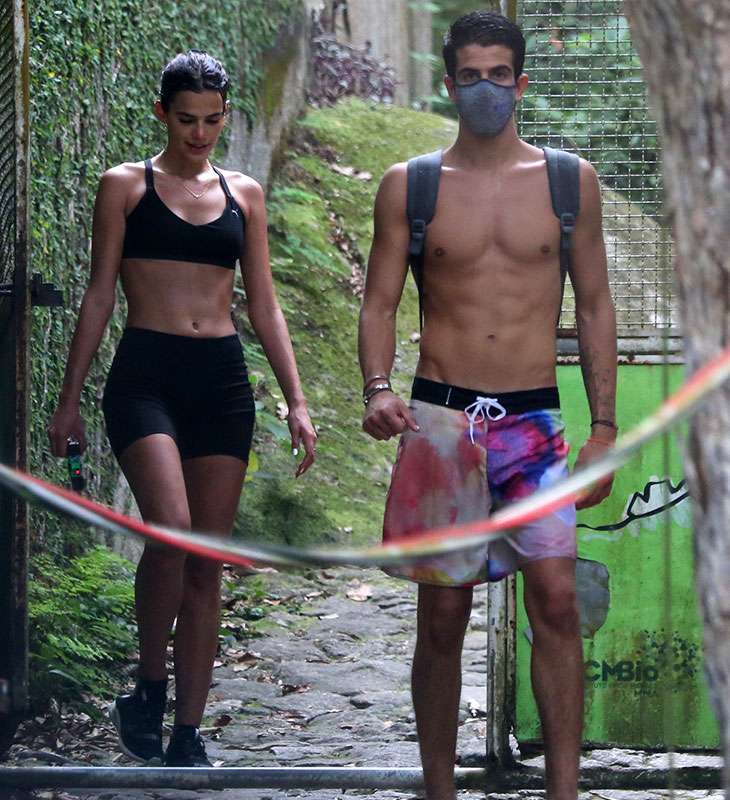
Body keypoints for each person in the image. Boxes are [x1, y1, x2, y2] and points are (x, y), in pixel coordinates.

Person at [359, 11, 616, 800]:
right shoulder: (412, 185)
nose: (485, 89)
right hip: (443, 424)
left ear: (521, 82)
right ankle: (439, 788)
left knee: (558, 603)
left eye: (498, 75)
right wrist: (377, 387)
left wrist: (604, 428)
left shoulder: (569, 182)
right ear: (449, 84)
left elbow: (596, 305)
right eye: (469, 75)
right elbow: (378, 301)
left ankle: (564, 790)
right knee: (442, 619)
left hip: (535, 427)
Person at [47, 50, 317, 767]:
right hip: (146, 377)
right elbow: (99, 293)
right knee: (170, 531)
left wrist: (297, 401)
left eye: (212, 120)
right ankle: (149, 685)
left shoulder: (244, 194)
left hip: (220, 382)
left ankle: (188, 734)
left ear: (226, 116)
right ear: (162, 113)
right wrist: (69, 401)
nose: (200, 134)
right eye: (187, 119)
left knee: (207, 562)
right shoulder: (125, 186)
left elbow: (264, 304)